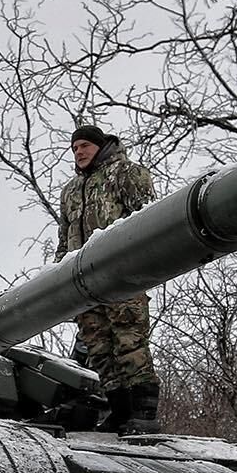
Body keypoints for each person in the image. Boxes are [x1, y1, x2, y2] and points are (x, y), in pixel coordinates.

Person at [58, 124, 163, 433]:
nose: (79, 152)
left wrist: (144, 267)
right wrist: (61, 276)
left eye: (85, 146)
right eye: (74, 148)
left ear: (101, 146)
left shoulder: (127, 173)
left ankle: (144, 413)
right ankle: (119, 411)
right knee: (98, 347)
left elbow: (151, 220)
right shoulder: (71, 191)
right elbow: (64, 237)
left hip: (123, 274)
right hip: (84, 281)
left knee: (129, 341)